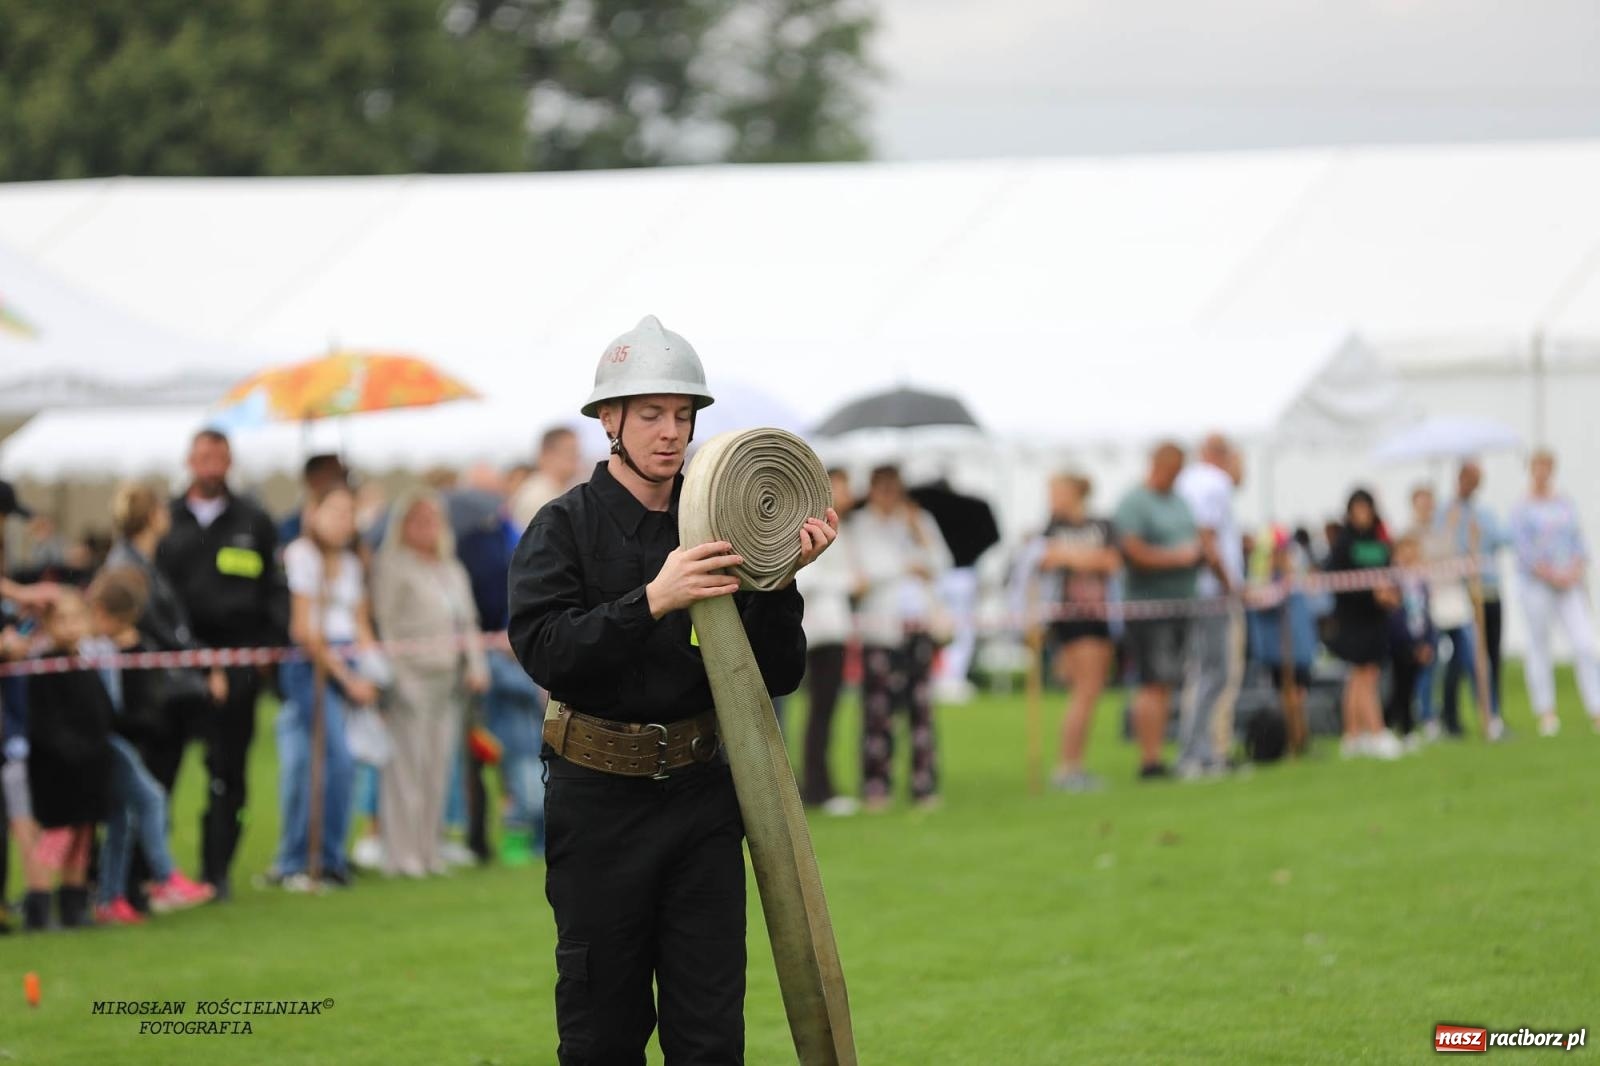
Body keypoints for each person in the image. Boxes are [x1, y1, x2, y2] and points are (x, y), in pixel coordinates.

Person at [507, 314, 836, 1064]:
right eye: (651, 413)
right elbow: (546, 650)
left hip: (703, 801)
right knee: (603, 1032)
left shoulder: (715, 518)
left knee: (711, 1033)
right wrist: (652, 599)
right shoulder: (562, 528)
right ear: (609, 420)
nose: (670, 432)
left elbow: (777, 672)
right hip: (597, 801)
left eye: (682, 416)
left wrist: (779, 580)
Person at [156, 429, 286, 899]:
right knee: (161, 770)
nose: (211, 464)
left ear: (229, 462)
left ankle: (217, 872)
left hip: (237, 665)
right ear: (189, 460)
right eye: (203, 455)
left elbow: (274, 590)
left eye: (219, 456)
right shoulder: (166, 520)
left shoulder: (253, 520)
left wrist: (266, 654)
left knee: (228, 774)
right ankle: (154, 872)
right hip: (174, 665)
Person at [82, 569, 215, 924]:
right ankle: (165, 877)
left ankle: (109, 898)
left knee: (120, 818)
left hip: (112, 737)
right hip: (102, 740)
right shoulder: (87, 646)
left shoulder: (112, 646)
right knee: (151, 798)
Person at [373, 488, 490, 877]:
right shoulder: (391, 565)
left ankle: (428, 848)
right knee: (407, 768)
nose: (426, 528)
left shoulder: (450, 568)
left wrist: (476, 665)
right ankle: (401, 853)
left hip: (450, 679)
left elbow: (468, 623)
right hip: (411, 677)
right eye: (417, 520)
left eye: (432, 520)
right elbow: (385, 625)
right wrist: (396, 675)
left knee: (439, 766)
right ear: (402, 525)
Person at [269, 485, 376, 892]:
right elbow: (304, 630)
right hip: (310, 667)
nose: (344, 521)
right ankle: (316, 859)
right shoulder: (302, 555)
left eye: (350, 513)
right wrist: (347, 678)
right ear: (313, 513)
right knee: (332, 762)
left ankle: (308, 858)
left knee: (307, 765)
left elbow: (361, 623)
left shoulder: (351, 562)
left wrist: (369, 671)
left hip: (345, 664)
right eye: (335, 512)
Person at [850, 464, 953, 812]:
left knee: (922, 709)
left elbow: (941, 563)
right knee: (879, 711)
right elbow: (863, 574)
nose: (889, 496)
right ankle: (877, 784)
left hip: (918, 624)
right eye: (883, 488)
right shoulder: (860, 525)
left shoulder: (917, 520)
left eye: (895, 488)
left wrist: (918, 534)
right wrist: (904, 567)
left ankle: (924, 784)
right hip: (880, 628)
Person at [21, 590, 110, 930]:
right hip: (57, 770)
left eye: (77, 618)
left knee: (83, 838)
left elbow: (101, 713)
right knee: (57, 837)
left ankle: (74, 904)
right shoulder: (45, 668)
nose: (71, 627)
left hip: (89, 769)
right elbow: (45, 725)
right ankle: (39, 906)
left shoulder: (87, 666)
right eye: (62, 620)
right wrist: (73, 750)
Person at [1114, 443, 1201, 780]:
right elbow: (1131, 551)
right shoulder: (1134, 502)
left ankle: (1159, 756)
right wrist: (1175, 558)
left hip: (1181, 603)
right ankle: (1149, 760)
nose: (1175, 475)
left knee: (1166, 682)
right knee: (1152, 681)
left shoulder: (1179, 501)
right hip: (1147, 606)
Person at [1037, 473, 1120, 792]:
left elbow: (1112, 562)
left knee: (1089, 691)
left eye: (1057, 491)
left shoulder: (1101, 524)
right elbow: (1046, 558)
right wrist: (1087, 559)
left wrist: (1072, 557)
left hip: (1100, 615)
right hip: (1071, 617)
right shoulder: (1052, 527)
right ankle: (1068, 767)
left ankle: (1074, 763)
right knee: (1085, 690)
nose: (1052, 497)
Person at [1509, 450, 1600, 736]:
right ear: (1530, 469)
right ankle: (1546, 712)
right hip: (1538, 583)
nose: (1542, 472)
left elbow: (1578, 539)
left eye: (1547, 467)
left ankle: (1596, 708)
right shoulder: (1522, 507)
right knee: (1539, 645)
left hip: (1569, 582)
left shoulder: (1564, 503)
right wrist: (1549, 573)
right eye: (1537, 467)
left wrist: (1574, 569)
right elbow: (1523, 550)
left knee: (1585, 643)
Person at [1174, 434, 1245, 779]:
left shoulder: (1187, 480)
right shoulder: (1214, 483)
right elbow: (1207, 536)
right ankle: (1195, 752)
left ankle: (1198, 749)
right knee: (1214, 672)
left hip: (1195, 590)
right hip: (1211, 593)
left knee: (1203, 672)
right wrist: (1229, 583)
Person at [796, 467, 859, 813]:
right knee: (819, 712)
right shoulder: (813, 527)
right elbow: (807, 576)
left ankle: (819, 784)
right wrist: (850, 582)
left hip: (834, 631)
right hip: (818, 633)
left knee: (825, 712)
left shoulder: (845, 530)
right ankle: (817, 788)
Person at [1325, 489, 1403, 759]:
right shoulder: (1344, 543)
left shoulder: (1380, 538)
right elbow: (1336, 581)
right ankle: (1375, 730)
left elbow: (1391, 570)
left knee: (1365, 675)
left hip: (1376, 618)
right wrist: (1371, 593)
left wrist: (1391, 594)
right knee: (1362, 674)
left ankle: (1354, 734)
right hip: (1353, 618)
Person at [1438, 460, 1507, 738]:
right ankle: (1451, 717)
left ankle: (1494, 714)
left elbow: (1503, 538)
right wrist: (1457, 532)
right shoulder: (1447, 512)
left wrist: (1482, 533)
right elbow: (1443, 546)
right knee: (1463, 656)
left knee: (1491, 655)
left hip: (1488, 589)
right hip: (1463, 592)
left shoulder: (1484, 513)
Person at [1407, 486, 1474, 741]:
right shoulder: (1410, 534)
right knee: (1428, 660)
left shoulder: (1445, 531)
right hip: (1428, 603)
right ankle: (1426, 714)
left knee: (1461, 657)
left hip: (1452, 602)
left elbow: (1455, 560)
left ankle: (1450, 713)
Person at [1383, 535, 1435, 747]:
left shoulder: (1421, 582)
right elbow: (1394, 617)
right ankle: (1402, 728)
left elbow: (1427, 613)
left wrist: (1428, 641)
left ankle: (1401, 725)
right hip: (1401, 643)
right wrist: (1409, 644)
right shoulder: (1393, 580)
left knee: (1411, 687)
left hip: (1419, 639)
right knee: (1400, 687)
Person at [510, 425, 583, 531]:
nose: (577, 456)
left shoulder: (558, 491)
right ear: (548, 454)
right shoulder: (537, 496)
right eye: (570, 451)